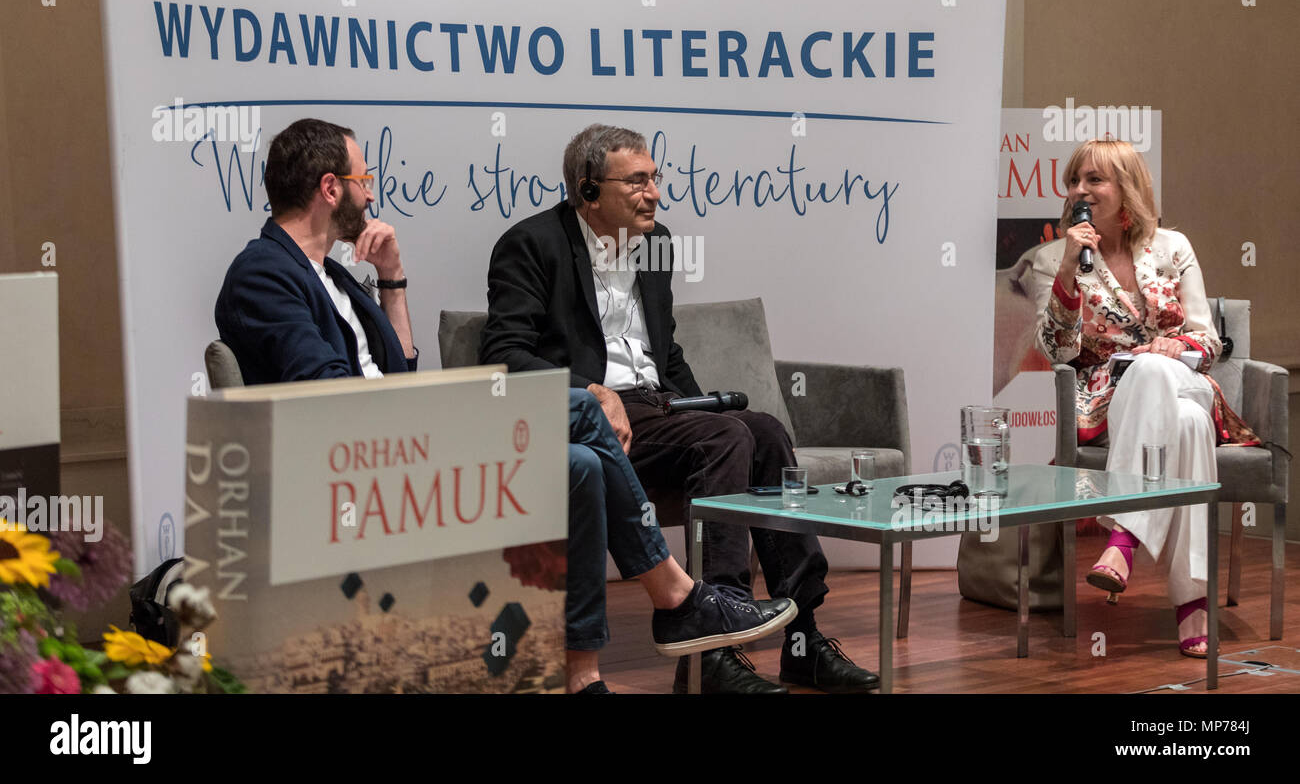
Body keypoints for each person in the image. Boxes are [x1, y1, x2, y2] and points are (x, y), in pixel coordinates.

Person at [215, 118, 791, 694]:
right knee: (587, 411)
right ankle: (676, 595)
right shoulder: (263, 272)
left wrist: (392, 281)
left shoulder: (336, 275)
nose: (371, 190)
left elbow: (400, 368)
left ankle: (583, 677)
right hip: (359, 458)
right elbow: (330, 394)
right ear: (330, 188)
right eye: (363, 177)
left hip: (396, 435)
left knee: (583, 465)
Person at [480, 123, 881, 694]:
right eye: (637, 181)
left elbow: (663, 352)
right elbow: (503, 357)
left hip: (657, 408)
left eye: (655, 178)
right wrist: (590, 391)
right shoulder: (532, 244)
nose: (655, 193)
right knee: (726, 440)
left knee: (761, 431)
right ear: (588, 190)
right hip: (596, 424)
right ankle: (713, 653)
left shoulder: (657, 242)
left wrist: (703, 408)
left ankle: (803, 641)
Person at [1027, 138, 1224, 657]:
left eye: (1094, 180)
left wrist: (1171, 346)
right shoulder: (1055, 257)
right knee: (1187, 427)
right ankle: (1192, 603)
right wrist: (1070, 265)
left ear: (1125, 188)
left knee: (1159, 372)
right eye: (1074, 180)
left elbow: (1208, 339)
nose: (1080, 191)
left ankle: (1123, 540)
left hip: (1184, 378)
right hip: (1111, 400)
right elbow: (1059, 351)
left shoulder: (1172, 246)